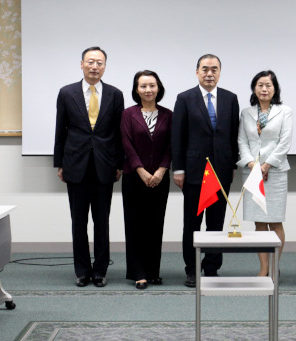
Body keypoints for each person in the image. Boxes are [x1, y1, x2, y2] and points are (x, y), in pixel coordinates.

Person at [54, 46, 124, 287]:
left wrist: (119, 163)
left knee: (102, 221)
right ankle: (82, 270)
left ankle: (100, 270)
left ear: (105, 67)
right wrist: (59, 163)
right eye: (91, 62)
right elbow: (60, 130)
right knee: (78, 221)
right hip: (75, 165)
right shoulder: (66, 93)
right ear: (81, 64)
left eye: (100, 63)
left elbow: (118, 133)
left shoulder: (115, 94)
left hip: (105, 166)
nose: (95, 66)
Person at [172, 54, 239, 287]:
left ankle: (211, 267)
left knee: (216, 223)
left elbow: (233, 136)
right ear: (197, 72)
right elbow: (177, 136)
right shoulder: (184, 98)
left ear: (219, 72)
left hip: (221, 170)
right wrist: (178, 169)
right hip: (193, 171)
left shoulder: (231, 99)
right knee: (192, 223)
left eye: (214, 69)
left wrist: (231, 165)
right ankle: (191, 269)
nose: (209, 74)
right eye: (205, 69)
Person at [237, 70, 292, 276]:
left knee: (275, 220)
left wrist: (267, 165)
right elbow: (242, 141)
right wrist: (252, 164)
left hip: (275, 172)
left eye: (268, 85)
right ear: (254, 88)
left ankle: (275, 267)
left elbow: (285, 142)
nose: (264, 89)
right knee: (259, 221)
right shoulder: (246, 113)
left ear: (275, 88)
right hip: (252, 172)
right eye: (260, 85)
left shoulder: (285, 111)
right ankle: (263, 269)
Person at [121, 70, 172, 290]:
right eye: (143, 86)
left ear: (158, 87)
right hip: (134, 177)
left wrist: (161, 170)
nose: (148, 90)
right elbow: (126, 144)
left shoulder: (169, 114)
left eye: (152, 85)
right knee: (135, 225)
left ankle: (153, 272)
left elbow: (172, 145)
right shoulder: (128, 114)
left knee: (155, 224)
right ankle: (138, 272)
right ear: (136, 89)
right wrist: (140, 170)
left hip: (160, 179)